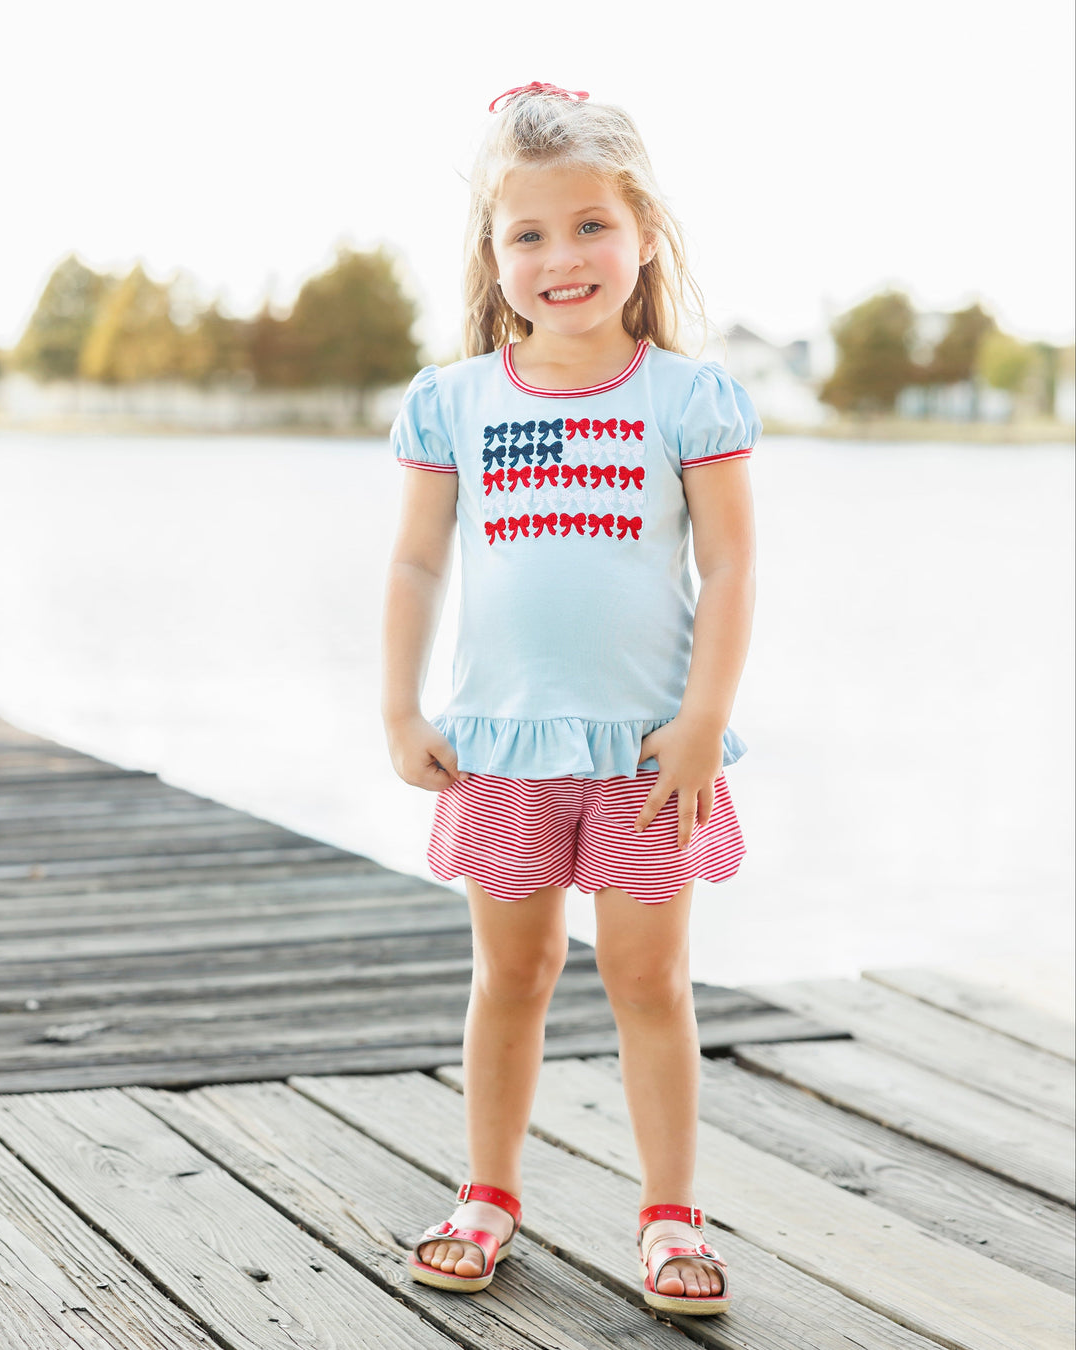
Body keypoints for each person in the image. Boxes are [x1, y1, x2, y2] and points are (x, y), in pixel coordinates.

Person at [381, 79, 760, 1318]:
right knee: (515, 973)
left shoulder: (687, 397)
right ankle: (488, 1192)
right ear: (494, 257)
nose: (564, 257)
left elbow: (732, 566)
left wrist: (702, 720)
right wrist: (401, 707)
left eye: (592, 225)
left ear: (643, 233)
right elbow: (417, 562)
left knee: (650, 980)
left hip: (649, 751)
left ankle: (670, 1214)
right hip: (501, 745)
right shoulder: (455, 401)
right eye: (530, 234)